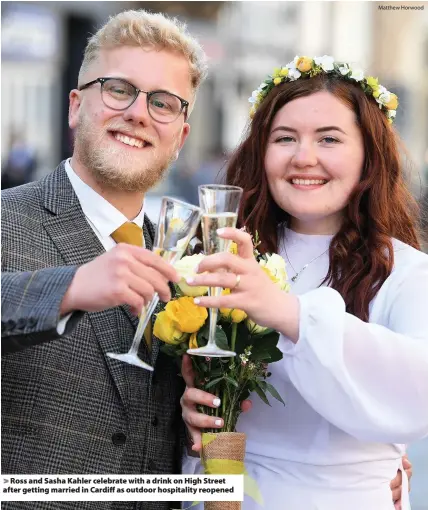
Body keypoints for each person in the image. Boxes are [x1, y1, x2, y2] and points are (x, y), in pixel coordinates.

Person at [180, 56, 427, 510]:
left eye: (329, 139)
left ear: (369, 155)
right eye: (284, 138)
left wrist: (288, 313)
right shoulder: (217, 257)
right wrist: (188, 405)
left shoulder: (406, 271)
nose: (303, 157)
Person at [1, 9, 207, 510]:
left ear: (179, 137)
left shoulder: (191, 257)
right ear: (75, 106)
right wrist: (70, 288)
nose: (138, 113)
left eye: (162, 103)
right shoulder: (7, 218)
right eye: (118, 89)